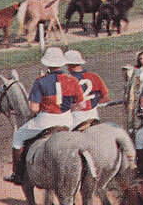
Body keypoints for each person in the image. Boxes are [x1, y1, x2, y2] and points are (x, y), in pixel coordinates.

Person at [5, 47, 86, 184]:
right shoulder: (72, 80)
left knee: (18, 136)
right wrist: (68, 108)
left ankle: (17, 174)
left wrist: (35, 112)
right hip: (67, 121)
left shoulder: (40, 81)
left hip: (46, 121)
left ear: (47, 64)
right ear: (62, 63)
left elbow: (33, 108)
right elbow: (81, 105)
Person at [66, 50, 110, 128]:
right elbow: (106, 98)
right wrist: (93, 102)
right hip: (94, 117)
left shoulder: (67, 80)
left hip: (76, 119)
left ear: (68, 65)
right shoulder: (95, 77)